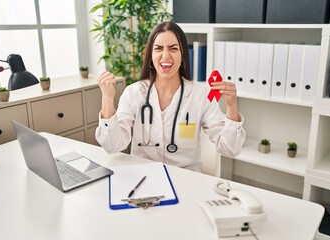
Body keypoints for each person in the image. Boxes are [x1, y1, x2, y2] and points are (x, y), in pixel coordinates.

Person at [96, 21, 245, 172]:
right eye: (158, 48)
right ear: (151, 56)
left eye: (173, 49)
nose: (165, 55)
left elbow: (230, 149)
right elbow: (112, 146)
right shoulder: (133, 93)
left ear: (182, 55)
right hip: (144, 177)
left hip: (185, 178)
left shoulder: (201, 95)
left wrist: (232, 105)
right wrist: (107, 99)